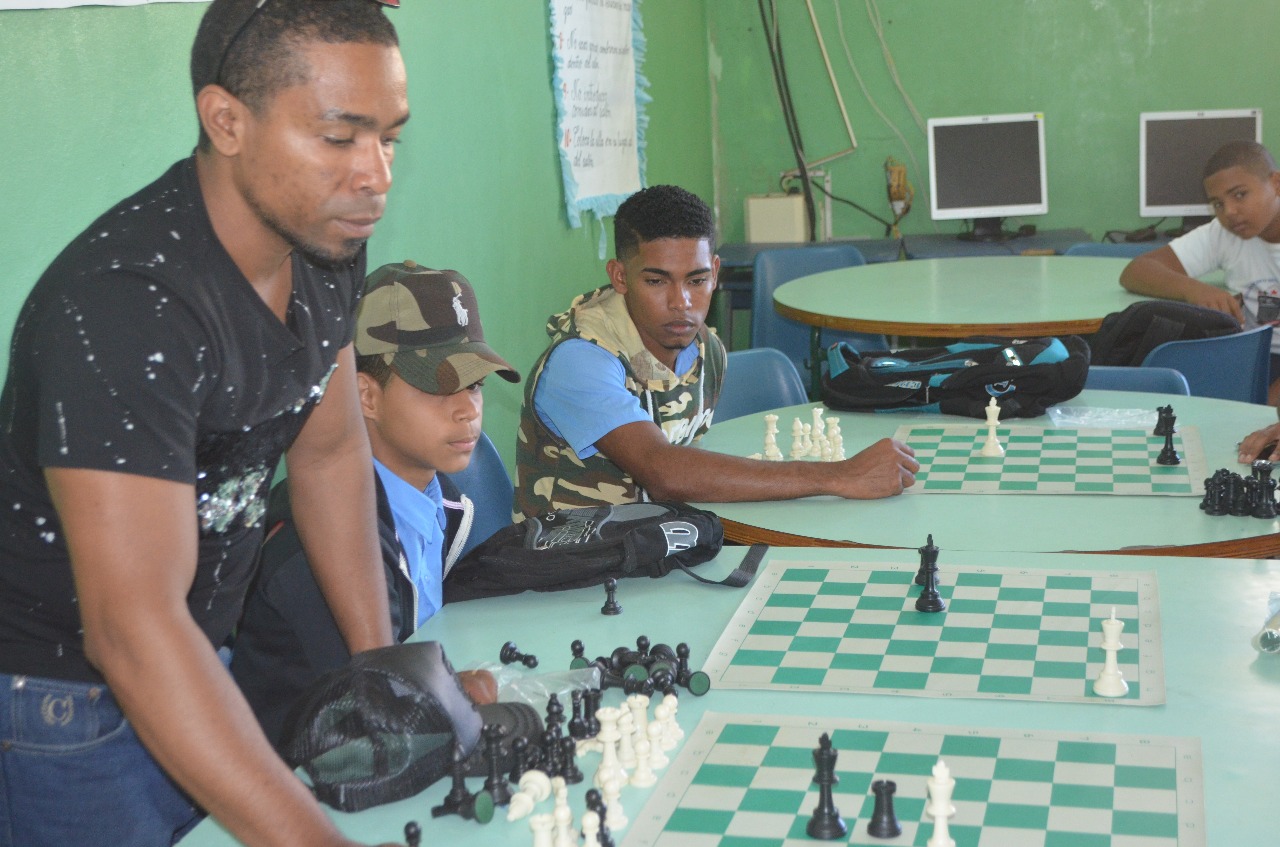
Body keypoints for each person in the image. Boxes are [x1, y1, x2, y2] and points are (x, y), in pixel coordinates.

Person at [0, 2, 411, 846]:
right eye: (340, 137)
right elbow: (131, 625)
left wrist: (380, 673)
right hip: (67, 700)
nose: (376, 175)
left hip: (196, 661)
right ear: (226, 120)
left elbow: (329, 449)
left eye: (390, 136)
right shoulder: (126, 304)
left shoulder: (322, 237)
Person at [231, 261, 520, 747]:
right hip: (321, 770)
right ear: (365, 395)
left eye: (474, 384)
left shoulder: (441, 502)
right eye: (438, 386)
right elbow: (356, 716)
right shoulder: (314, 551)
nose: (468, 408)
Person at [514, 184, 918, 520]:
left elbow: (688, 467)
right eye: (657, 281)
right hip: (571, 576)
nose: (681, 302)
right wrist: (839, 476)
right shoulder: (579, 360)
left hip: (654, 552)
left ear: (716, 273)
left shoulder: (707, 349)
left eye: (697, 279)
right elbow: (663, 472)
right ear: (620, 276)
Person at [1119, 139, 1280, 403]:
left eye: (1240, 194)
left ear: (1276, 184)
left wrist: (1261, 411)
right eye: (1217, 203)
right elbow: (1137, 270)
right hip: (1252, 359)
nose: (1229, 212)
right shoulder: (1225, 234)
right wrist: (1194, 289)